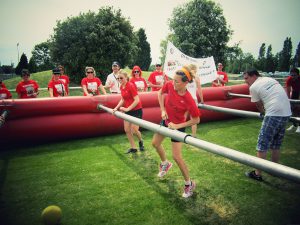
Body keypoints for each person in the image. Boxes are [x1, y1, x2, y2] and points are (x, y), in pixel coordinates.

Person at [151, 65, 201, 198]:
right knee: (155, 143)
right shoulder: (169, 85)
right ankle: (165, 164)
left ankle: (189, 184)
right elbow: (160, 93)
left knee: (177, 157)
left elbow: (196, 120)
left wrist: (178, 126)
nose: (173, 83)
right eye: (173, 80)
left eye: (177, 81)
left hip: (178, 127)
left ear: (185, 83)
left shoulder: (189, 99)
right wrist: (162, 110)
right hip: (166, 121)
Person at [243, 69, 291, 181]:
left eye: (246, 78)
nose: (245, 81)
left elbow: (258, 105)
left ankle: (257, 173)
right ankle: (275, 170)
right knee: (276, 143)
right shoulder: (269, 79)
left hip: (274, 113)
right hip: (286, 113)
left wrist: (264, 113)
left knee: (262, 143)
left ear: (254, 76)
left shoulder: (253, 87)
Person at [112, 70, 145, 153]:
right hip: (128, 110)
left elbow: (137, 100)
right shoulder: (121, 87)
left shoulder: (130, 85)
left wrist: (127, 109)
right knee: (127, 130)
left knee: (134, 129)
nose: (120, 79)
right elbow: (123, 99)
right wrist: (116, 108)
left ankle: (141, 140)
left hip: (136, 110)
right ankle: (133, 148)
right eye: (118, 78)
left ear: (126, 78)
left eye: (121, 78)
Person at [186, 64, 204, 137]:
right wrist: (202, 100)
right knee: (194, 118)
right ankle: (193, 135)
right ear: (195, 69)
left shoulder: (185, 77)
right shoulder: (196, 77)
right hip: (192, 99)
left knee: (182, 117)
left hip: (185, 99)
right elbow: (199, 90)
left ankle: (177, 133)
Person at [285, 67, 300, 133]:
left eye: (294, 75)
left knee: (299, 109)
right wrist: (289, 101)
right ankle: (294, 125)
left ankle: (299, 126)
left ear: (298, 75)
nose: (293, 77)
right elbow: (288, 91)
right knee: (293, 109)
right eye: (291, 75)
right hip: (294, 92)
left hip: (299, 92)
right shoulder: (289, 79)